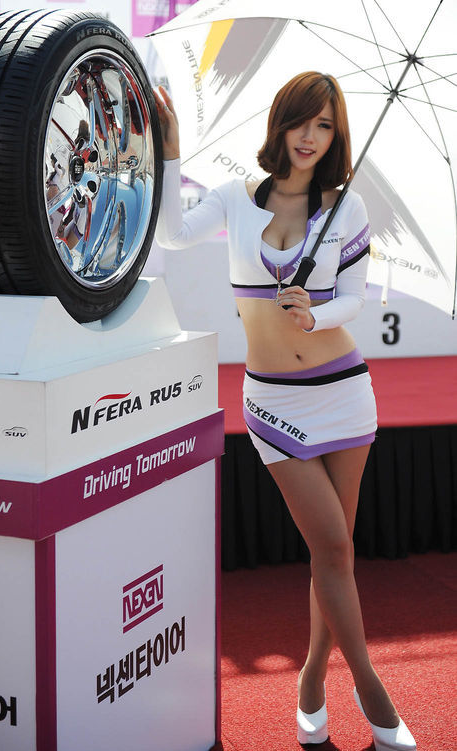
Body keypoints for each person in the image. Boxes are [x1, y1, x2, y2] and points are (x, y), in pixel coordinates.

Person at [153, 71, 416, 751]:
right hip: (273, 401)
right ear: (280, 123)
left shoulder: (346, 207)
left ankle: (311, 680)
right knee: (332, 547)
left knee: (335, 555)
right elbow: (173, 234)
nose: (310, 136)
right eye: (302, 120)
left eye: (324, 125)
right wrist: (171, 148)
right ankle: (371, 690)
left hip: (345, 391)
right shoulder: (234, 198)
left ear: (336, 136)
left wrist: (314, 313)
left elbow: (354, 298)